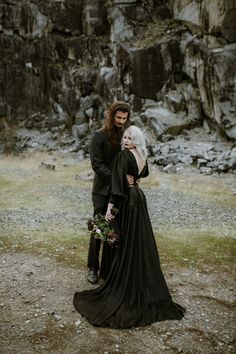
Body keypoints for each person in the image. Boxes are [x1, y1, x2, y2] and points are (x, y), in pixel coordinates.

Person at [73, 126, 185, 328]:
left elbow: (116, 186)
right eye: (124, 137)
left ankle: (124, 281)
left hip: (127, 200)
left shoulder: (124, 156)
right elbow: (145, 173)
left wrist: (109, 208)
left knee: (126, 240)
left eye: (129, 137)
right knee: (139, 239)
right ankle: (139, 278)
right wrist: (135, 178)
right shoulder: (142, 155)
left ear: (136, 140)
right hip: (139, 197)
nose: (125, 140)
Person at [87, 101, 132, 284]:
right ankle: (92, 268)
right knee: (99, 229)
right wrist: (118, 178)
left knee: (115, 229)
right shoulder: (98, 137)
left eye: (124, 118)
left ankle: (110, 269)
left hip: (119, 192)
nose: (121, 121)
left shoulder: (126, 136)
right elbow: (97, 165)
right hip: (101, 191)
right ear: (111, 116)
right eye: (118, 117)